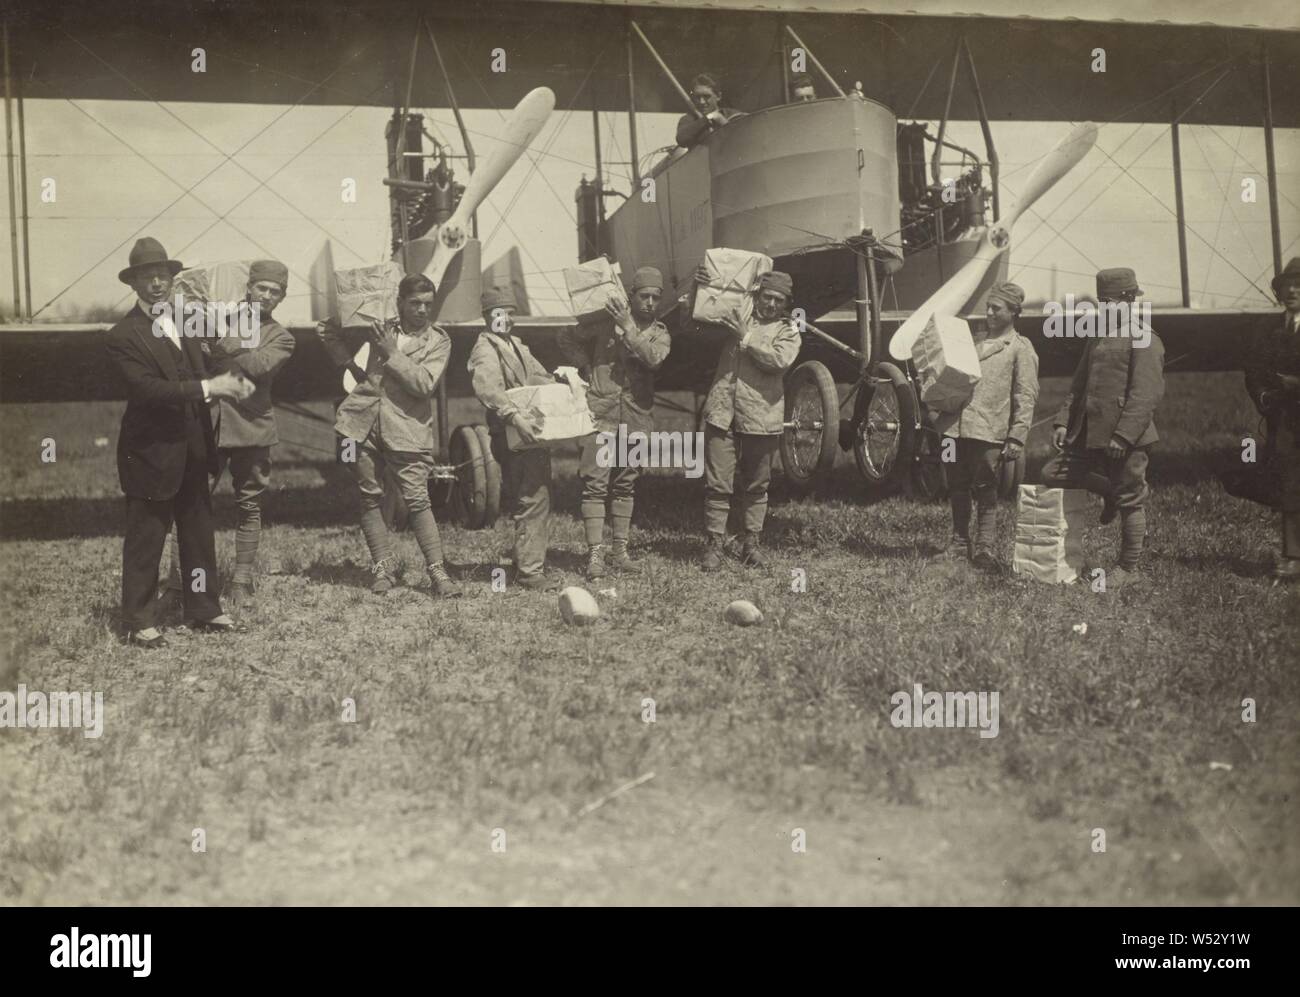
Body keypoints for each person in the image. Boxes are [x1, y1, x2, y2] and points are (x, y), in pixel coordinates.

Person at [104, 237, 252, 648]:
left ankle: (204, 607)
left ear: (172, 279)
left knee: (198, 530)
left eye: (163, 275)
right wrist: (211, 385)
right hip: (150, 453)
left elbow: (212, 359)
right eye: (147, 277)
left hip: (193, 446)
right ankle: (137, 620)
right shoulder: (122, 336)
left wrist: (233, 371)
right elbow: (149, 389)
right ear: (133, 284)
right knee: (147, 537)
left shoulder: (187, 321)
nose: (157, 283)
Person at [161, 259, 295, 611]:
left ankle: (241, 581)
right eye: (261, 288)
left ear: (282, 298)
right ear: (248, 288)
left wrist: (219, 336)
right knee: (190, 504)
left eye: (275, 291)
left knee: (249, 505)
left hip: (252, 429)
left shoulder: (281, 337)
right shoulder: (214, 316)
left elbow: (259, 366)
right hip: (209, 426)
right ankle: (178, 585)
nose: (266, 295)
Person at [327, 273, 462, 598]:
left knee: (418, 499)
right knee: (369, 496)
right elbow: (326, 329)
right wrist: (352, 367)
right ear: (399, 302)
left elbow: (423, 384)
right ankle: (382, 569)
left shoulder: (438, 341)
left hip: (407, 429)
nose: (421, 310)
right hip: (360, 424)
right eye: (414, 303)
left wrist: (390, 351)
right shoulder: (379, 323)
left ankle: (437, 573)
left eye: (428, 304)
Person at [1041, 267, 1165, 589]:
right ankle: (1108, 491)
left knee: (1131, 499)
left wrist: (1123, 436)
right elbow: (1078, 385)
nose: (1105, 308)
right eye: (1101, 301)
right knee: (1052, 473)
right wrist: (1062, 421)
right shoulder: (1097, 336)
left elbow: (1145, 395)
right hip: (1088, 431)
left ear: (1129, 301)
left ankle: (1128, 569)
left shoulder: (1145, 338)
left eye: (1110, 301)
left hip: (1127, 437)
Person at [559, 266, 671, 580]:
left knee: (625, 485)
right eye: (643, 295)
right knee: (595, 486)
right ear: (630, 295)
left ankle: (620, 552)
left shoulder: (660, 332)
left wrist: (628, 328)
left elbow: (654, 359)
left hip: (636, 418)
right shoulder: (604, 324)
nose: (649, 302)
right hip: (601, 415)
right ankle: (595, 555)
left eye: (655, 297)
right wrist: (584, 365)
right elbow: (566, 335)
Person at [698, 269, 802, 570]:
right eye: (766, 297)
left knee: (757, 484)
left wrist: (747, 337)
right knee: (718, 484)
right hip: (722, 412)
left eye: (778, 300)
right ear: (757, 296)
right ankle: (714, 544)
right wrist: (702, 286)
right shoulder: (735, 318)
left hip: (761, 415)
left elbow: (779, 360)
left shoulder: (789, 329)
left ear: (786, 304)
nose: (771, 304)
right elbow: (698, 319)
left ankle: (751, 543)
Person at [933, 282, 1039, 570]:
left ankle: (985, 548)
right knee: (955, 484)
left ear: (1015, 312)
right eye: (988, 306)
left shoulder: (1020, 349)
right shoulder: (972, 343)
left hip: (988, 432)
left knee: (985, 487)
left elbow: (1025, 395)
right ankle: (958, 543)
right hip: (951, 432)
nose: (989, 312)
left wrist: (1017, 436)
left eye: (997, 308)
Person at [468, 285, 561, 591]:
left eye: (510, 313)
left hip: (526, 432)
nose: (506, 319)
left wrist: (562, 382)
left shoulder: (517, 345)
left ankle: (529, 564)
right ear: (486, 317)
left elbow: (537, 375)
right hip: (510, 432)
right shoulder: (485, 350)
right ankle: (530, 571)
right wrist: (514, 415)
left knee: (535, 494)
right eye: (499, 313)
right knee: (531, 497)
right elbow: (488, 389)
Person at [1244, 256, 1300, 582]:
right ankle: (1293, 556)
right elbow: (1254, 370)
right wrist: (1264, 396)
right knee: (1289, 483)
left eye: (1298, 285)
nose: (1292, 291)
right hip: (1284, 420)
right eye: (1287, 286)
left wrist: (1291, 384)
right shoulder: (1268, 329)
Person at [675, 73, 743, 149]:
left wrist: (721, 121)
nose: (702, 102)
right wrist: (708, 118)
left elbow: (743, 140)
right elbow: (681, 139)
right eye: (697, 97)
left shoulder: (734, 115)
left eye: (706, 96)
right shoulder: (689, 119)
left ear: (718, 96)